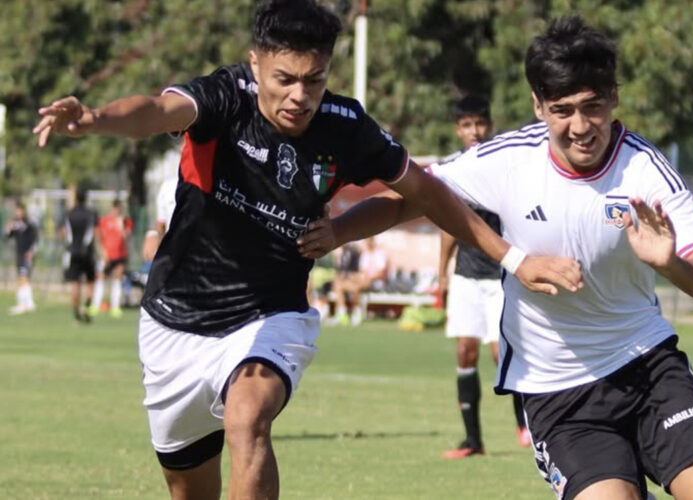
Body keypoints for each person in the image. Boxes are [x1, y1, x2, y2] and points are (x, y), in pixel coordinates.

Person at [33, 2, 580, 498]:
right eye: (285, 79)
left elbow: (424, 192)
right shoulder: (227, 96)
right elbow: (157, 110)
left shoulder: (346, 127)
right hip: (174, 324)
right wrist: (95, 120)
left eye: (314, 80)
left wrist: (512, 258)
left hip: (270, 317)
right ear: (255, 65)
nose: (300, 95)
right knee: (189, 491)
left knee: (248, 417)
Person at [307, 15, 693, 500]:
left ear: (614, 97)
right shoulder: (507, 160)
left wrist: (669, 264)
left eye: (593, 107)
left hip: (647, 362)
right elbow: (414, 196)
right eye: (562, 110)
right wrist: (338, 230)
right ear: (538, 106)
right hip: (558, 388)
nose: (579, 127)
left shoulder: (646, 170)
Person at [435, 95, 530, 458]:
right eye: (466, 125)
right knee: (465, 350)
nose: (474, 131)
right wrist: (441, 273)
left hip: (500, 276)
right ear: (457, 130)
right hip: (466, 277)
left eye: (480, 123)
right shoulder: (450, 170)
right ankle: (472, 441)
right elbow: (447, 225)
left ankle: (526, 424)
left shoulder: (501, 166)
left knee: (500, 353)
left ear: (489, 125)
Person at [90, 199, 133, 318]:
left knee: (117, 278)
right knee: (101, 277)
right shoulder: (104, 221)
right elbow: (98, 236)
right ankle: (95, 305)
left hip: (120, 255)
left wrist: (120, 225)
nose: (116, 211)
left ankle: (115, 306)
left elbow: (126, 237)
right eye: (114, 208)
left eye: (118, 209)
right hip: (106, 255)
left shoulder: (126, 222)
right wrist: (102, 251)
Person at [61, 188, 99, 324]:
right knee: (91, 281)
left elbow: (64, 233)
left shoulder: (69, 214)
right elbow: (94, 232)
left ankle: (76, 315)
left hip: (73, 252)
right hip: (87, 252)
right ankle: (86, 307)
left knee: (74, 283)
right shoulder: (91, 214)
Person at [331, 236, 388, 325]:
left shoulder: (379, 254)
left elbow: (380, 273)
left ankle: (357, 313)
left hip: (376, 282)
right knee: (338, 286)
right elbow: (362, 271)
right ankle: (341, 314)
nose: (367, 243)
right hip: (363, 280)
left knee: (356, 287)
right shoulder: (365, 254)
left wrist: (366, 278)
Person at [5, 201, 38, 315]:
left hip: (27, 255)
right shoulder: (15, 225)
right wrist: (8, 229)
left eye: (20, 211)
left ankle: (23, 304)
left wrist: (32, 251)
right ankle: (28, 303)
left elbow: (35, 240)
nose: (18, 213)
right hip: (19, 254)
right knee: (21, 278)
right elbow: (7, 236)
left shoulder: (30, 224)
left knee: (24, 277)